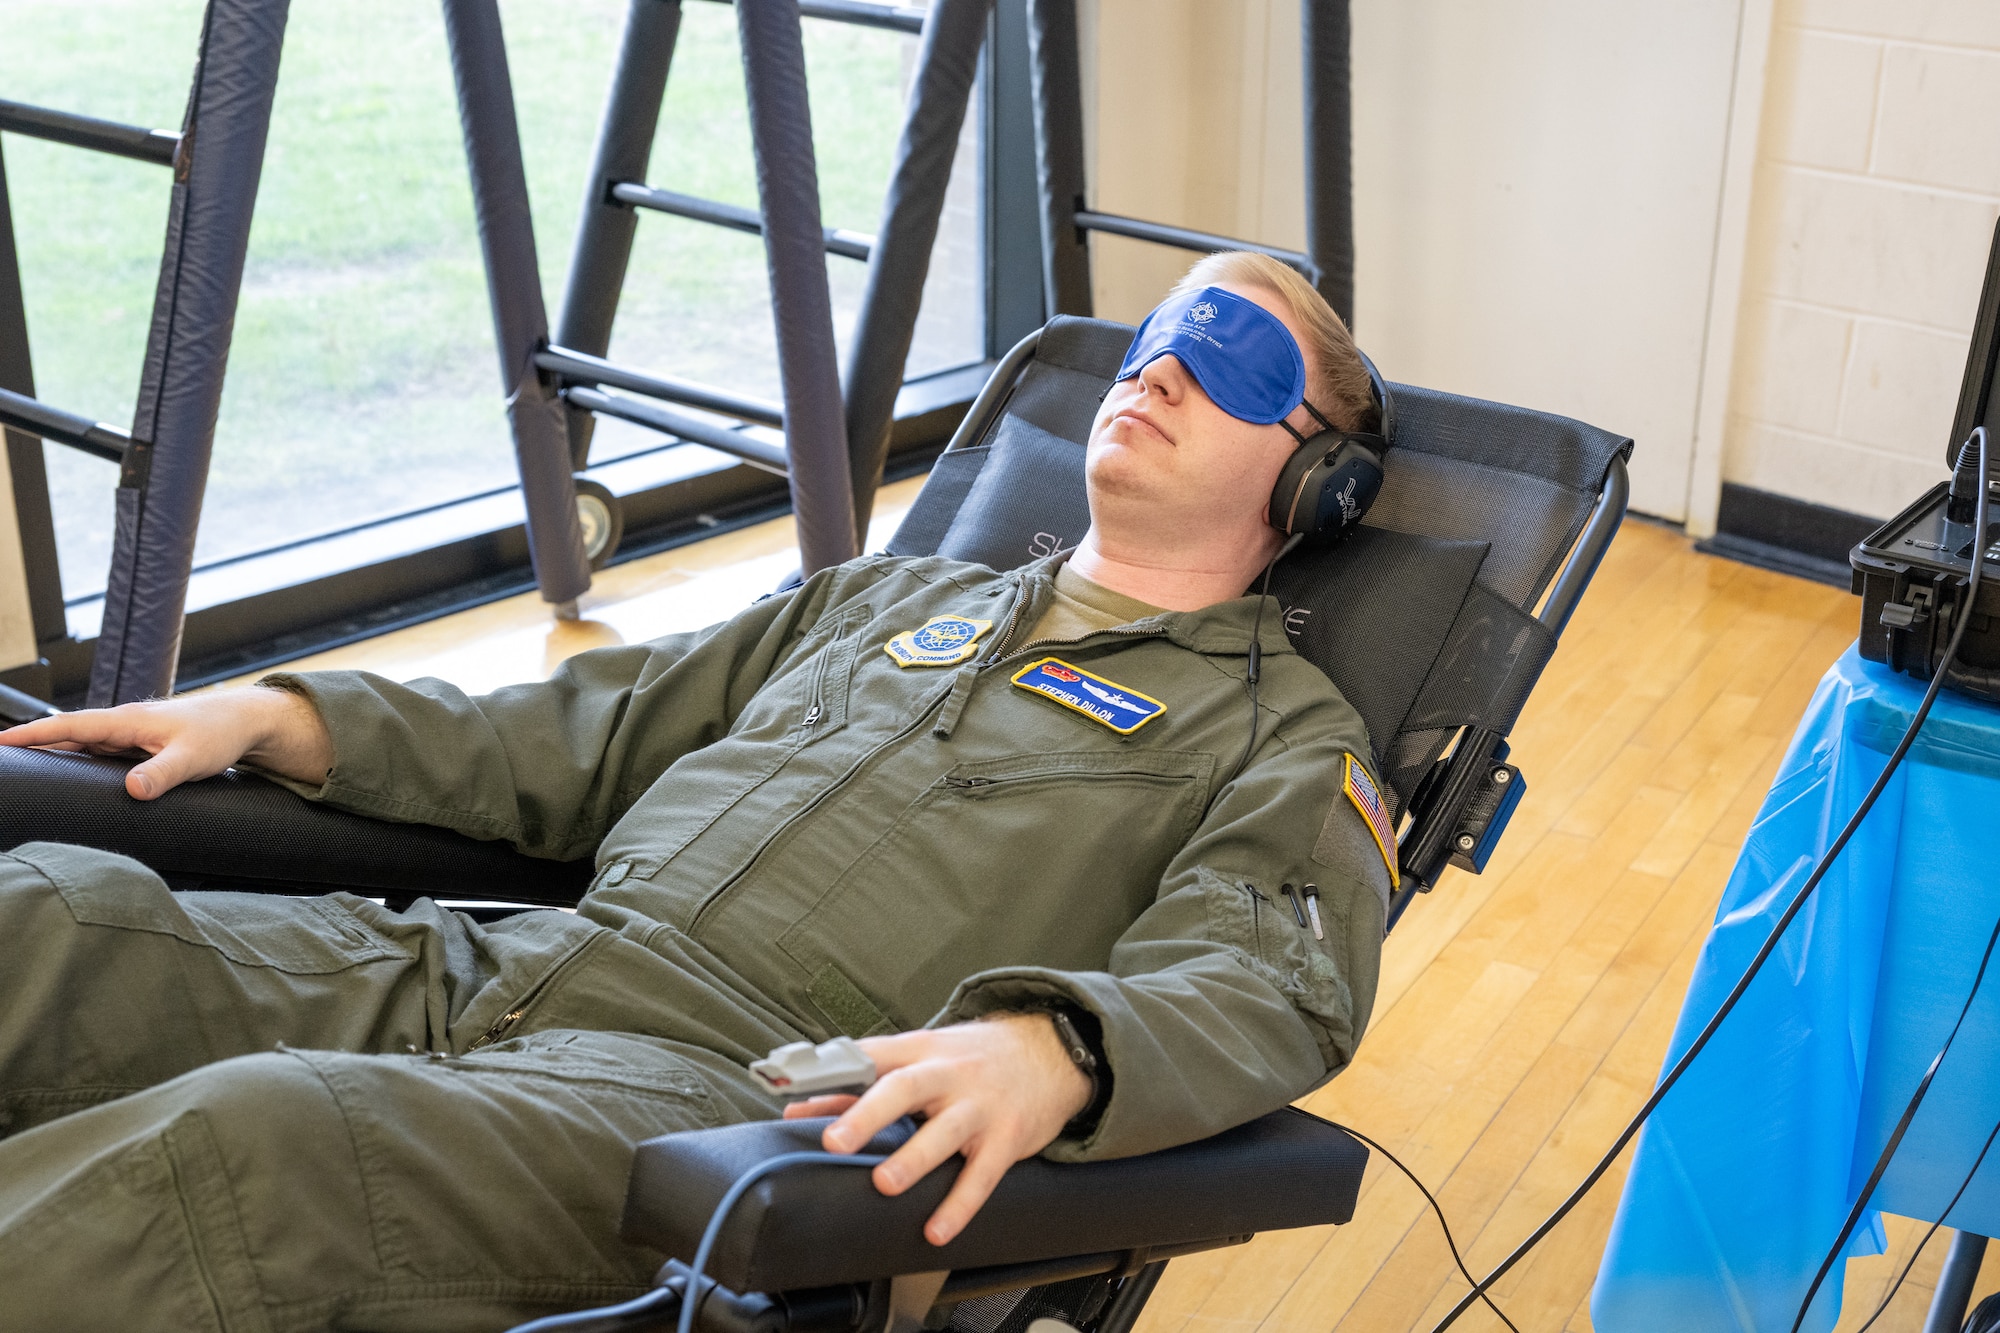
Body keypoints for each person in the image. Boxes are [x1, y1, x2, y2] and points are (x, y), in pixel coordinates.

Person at [0, 252, 1395, 1332]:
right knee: (44, 923)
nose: (1155, 370)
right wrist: (285, 714)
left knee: (254, 1146)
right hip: (496, 970)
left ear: (1319, 478)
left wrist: (1067, 1052)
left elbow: (1269, 976)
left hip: (722, 1096)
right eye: (1154, 338)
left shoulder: (1281, 738)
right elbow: (584, 732)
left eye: (1227, 354)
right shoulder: (888, 597)